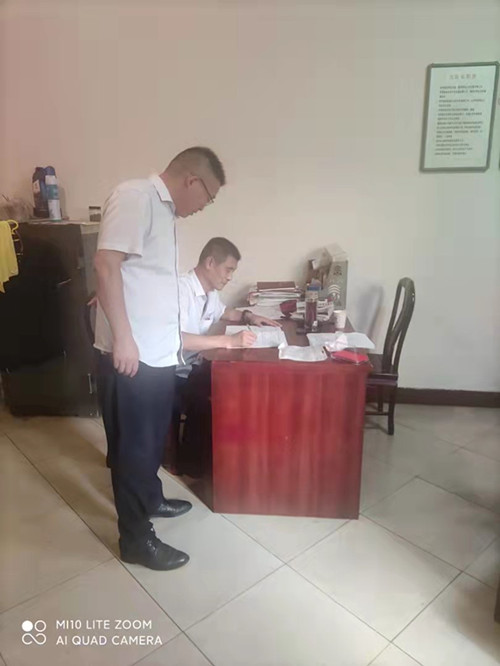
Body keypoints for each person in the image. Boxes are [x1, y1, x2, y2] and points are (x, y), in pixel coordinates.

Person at [94, 146, 225, 571]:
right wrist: (123, 339)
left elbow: (136, 276)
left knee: (150, 443)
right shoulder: (135, 197)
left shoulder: (163, 212)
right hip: (133, 356)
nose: (204, 206)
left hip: (156, 353)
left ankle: (150, 498)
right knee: (133, 450)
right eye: (208, 197)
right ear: (192, 180)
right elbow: (106, 264)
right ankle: (136, 540)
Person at [167, 237, 280, 476]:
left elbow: (224, 312)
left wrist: (249, 317)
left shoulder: (209, 292)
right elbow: (177, 339)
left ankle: (238, 457)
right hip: (174, 371)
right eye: (228, 270)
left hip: (195, 363)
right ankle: (193, 467)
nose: (229, 277)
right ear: (210, 263)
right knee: (217, 394)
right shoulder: (181, 290)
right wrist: (227, 341)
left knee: (239, 387)